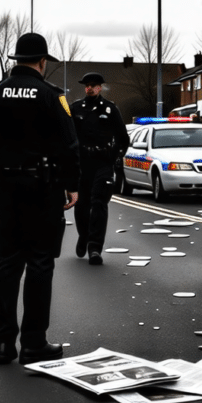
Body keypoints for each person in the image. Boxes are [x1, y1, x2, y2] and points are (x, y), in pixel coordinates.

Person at [0, 33, 79, 366]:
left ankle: (3, 344)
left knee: (8, 264)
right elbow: (68, 143)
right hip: (43, 188)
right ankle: (34, 342)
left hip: (7, 187)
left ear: (15, 60)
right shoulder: (51, 95)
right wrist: (71, 184)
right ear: (42, 61)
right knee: (39, 262)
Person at [70, 72, 129, 265]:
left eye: (93, 85)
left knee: (99, 203)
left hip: (103, 162)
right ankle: (83, 235)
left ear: (100, 87)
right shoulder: (76, 108)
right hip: (82, 163)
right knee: (81, 204)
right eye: (87, 85)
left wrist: (115, 157)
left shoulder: (110, 109)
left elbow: (123, 137)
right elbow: (68, 136)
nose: (89, 88)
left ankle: (95, 247)